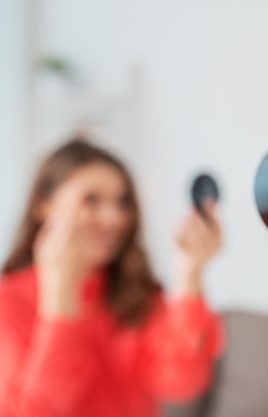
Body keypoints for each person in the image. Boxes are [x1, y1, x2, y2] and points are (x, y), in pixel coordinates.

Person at [0, 138, 225, 417]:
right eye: (91, 200)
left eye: (122, 202)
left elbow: (182, 383)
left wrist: (189, 273)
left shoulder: (133, 291)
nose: (113, 218)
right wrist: (60, 296)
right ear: (44, 205)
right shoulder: (8, 300)